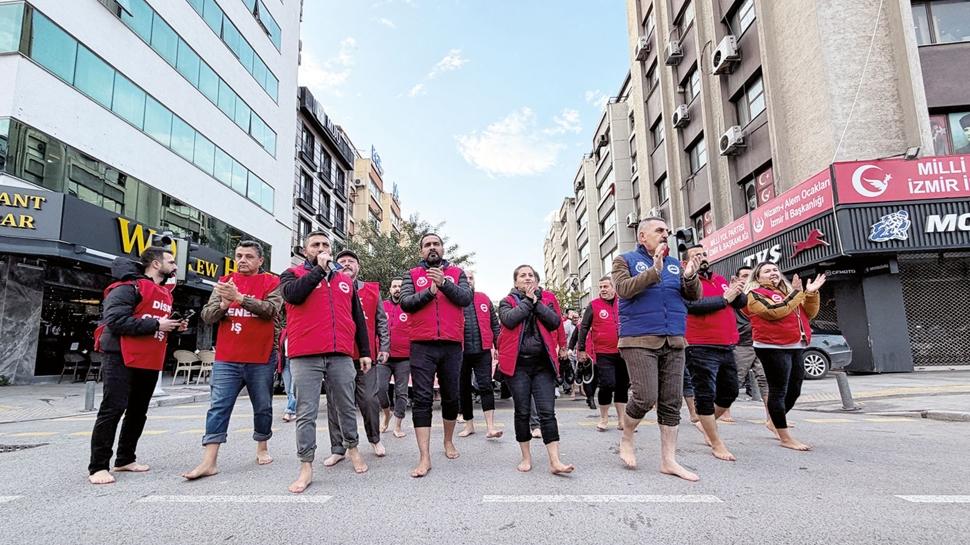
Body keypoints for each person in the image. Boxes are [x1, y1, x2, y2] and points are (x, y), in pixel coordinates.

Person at [280, 231, 372, 493]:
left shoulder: (344, 281)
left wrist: (364, 351)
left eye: (325, 245)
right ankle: (306, 465)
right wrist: (318, 272)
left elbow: (357, 318)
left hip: (340, 353)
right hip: (304, 354)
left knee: (346, 406)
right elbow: (294, 296)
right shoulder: (292, 274)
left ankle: (353, 449)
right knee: (306, 412)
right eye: (315, 245)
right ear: (305, 250)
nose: (321, 248)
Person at [182, 241, 281, 480]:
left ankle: (262, 446)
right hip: (227, 357)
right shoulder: (224, 283)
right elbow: (207, 316)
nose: (242, 260)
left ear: (260, 261)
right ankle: (209, 460)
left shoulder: (272, 282)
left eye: (248, 256)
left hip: (261, 356)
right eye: (239, 255)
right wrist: (225, 305)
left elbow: (271, 310)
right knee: (218, 407)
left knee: (263, 406)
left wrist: (241, 298)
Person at [612, 218, 702, 481]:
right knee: (645, 396)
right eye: (659, 231)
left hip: (674, 339)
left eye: (667, 231)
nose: (666, 234)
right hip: (639, 339)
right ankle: (627, 437)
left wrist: (690, 277)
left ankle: (668, 460)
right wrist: (654, 271)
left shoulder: (676, 264)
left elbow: (693, 296)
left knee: (672, 401)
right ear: (642, 236)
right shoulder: (624, 260)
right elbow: (623, 290)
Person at [88, 247, 185, 485]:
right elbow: (116, 321)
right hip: (121, 355)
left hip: (149, 357)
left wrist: (171, 326)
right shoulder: (127, 287)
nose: (174, 267)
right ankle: (98, 466)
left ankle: (125, 458)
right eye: (170, 262)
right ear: (154, 264)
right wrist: (156, 325)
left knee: (138, 411)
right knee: (112, 409)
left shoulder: (165, 292)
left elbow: (153, 323)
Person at [399, 233, 474, 478]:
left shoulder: (457, 273)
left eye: (436, 244)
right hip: (422, 345)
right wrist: (430, 291)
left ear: (443, 248)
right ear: (421, 251)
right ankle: (424, 457)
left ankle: (448, 441)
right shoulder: (411, 275)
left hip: (452, 345)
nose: (432, 248)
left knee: (452, 397)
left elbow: (466, 298)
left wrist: (444, 283)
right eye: (427, 245)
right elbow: (406, 303)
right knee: (422, 399)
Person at [497, 265, 574, 474]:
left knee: (547, 413)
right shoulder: (507, 302)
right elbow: (510, 320)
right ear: (515, 282)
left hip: (543, 366)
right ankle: (526, 457)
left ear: (537, 281)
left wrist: (536, 302)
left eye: (531, 275)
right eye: (523, 276)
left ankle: (555, 460)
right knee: (522, 412)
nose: (527, 278)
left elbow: (554, 322)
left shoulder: (545, 300)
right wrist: (528, 302)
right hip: (518, 366)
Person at [745, 262, 825, 451]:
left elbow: (809, 313)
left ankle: (774, 421)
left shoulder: (789, 292)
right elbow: (774, 312)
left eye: (775, 270)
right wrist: (797, 294)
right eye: (767, 271)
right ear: (758, 277)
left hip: (796, 344)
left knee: (794, 389)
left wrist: (811, 293)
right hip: (771, 346)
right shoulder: (755, 294)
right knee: (778, 390)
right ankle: (785, 436)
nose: (773, 273)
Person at [323, 249, 390, 465]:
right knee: (335, 403)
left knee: (370, 399)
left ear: (358, 267)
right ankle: (338, 448)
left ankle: (374, 439)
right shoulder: (328, 286)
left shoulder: (371, 290)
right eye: (342, 261)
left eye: (351, 261)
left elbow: (381, 321)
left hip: (365, 355)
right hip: (337, 353)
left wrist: (384, 346)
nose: (346, 264)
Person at [682, 245, 745, 462]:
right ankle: (716, 443)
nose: (702, 258)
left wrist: (738, 290)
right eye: (696, 256)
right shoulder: (686, 281)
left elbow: (740, 304)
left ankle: (705, 424)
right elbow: (691, 305)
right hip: (699, 345)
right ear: (686, 262)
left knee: (730, 392)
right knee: (705, 394)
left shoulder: (720, 279)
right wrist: (725, 298)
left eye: (704, 254)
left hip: (726, 343)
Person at [576, 276, 628, 432]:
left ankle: (621, 420)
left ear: (614, 287)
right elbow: (584, 327)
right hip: (604, 352)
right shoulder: (594, 305)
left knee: (622, 386)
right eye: (601, 287)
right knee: (607, 384)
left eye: (606, 286)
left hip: (624, 351)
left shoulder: (624, 302)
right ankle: (604, 418)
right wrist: (582, 349)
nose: (603, 290)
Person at [719, 265, 769, 424]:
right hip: (741, 344)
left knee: (766, 380)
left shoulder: (760, 294)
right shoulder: (734, 295)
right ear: (738, 278)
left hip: (762, 342)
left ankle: (773, 418)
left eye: (751, 275)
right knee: (734, 380)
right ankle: (724, 412)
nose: (748, 278)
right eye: (744, 275)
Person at [458, 272, 502, 439]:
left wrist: (498, 345)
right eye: (465, 278)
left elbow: (494, 324)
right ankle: (469, 425)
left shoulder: (484, 298)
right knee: (463, 389)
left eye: (471, 278)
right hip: (461, 352)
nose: (468, 281)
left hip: (483, 351)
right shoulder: (455, 299)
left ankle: (490, 427)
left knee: (486, 386)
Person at [379, 277, 411, 438]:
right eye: (394, 286)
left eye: (400, 286)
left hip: (405, 357)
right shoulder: (382, 306)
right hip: (383, 356)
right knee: (380, 389)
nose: (397, 288)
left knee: (401, 392)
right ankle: (386, 414)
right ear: (390, 289)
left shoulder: (410, 306)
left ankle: (397, 426)